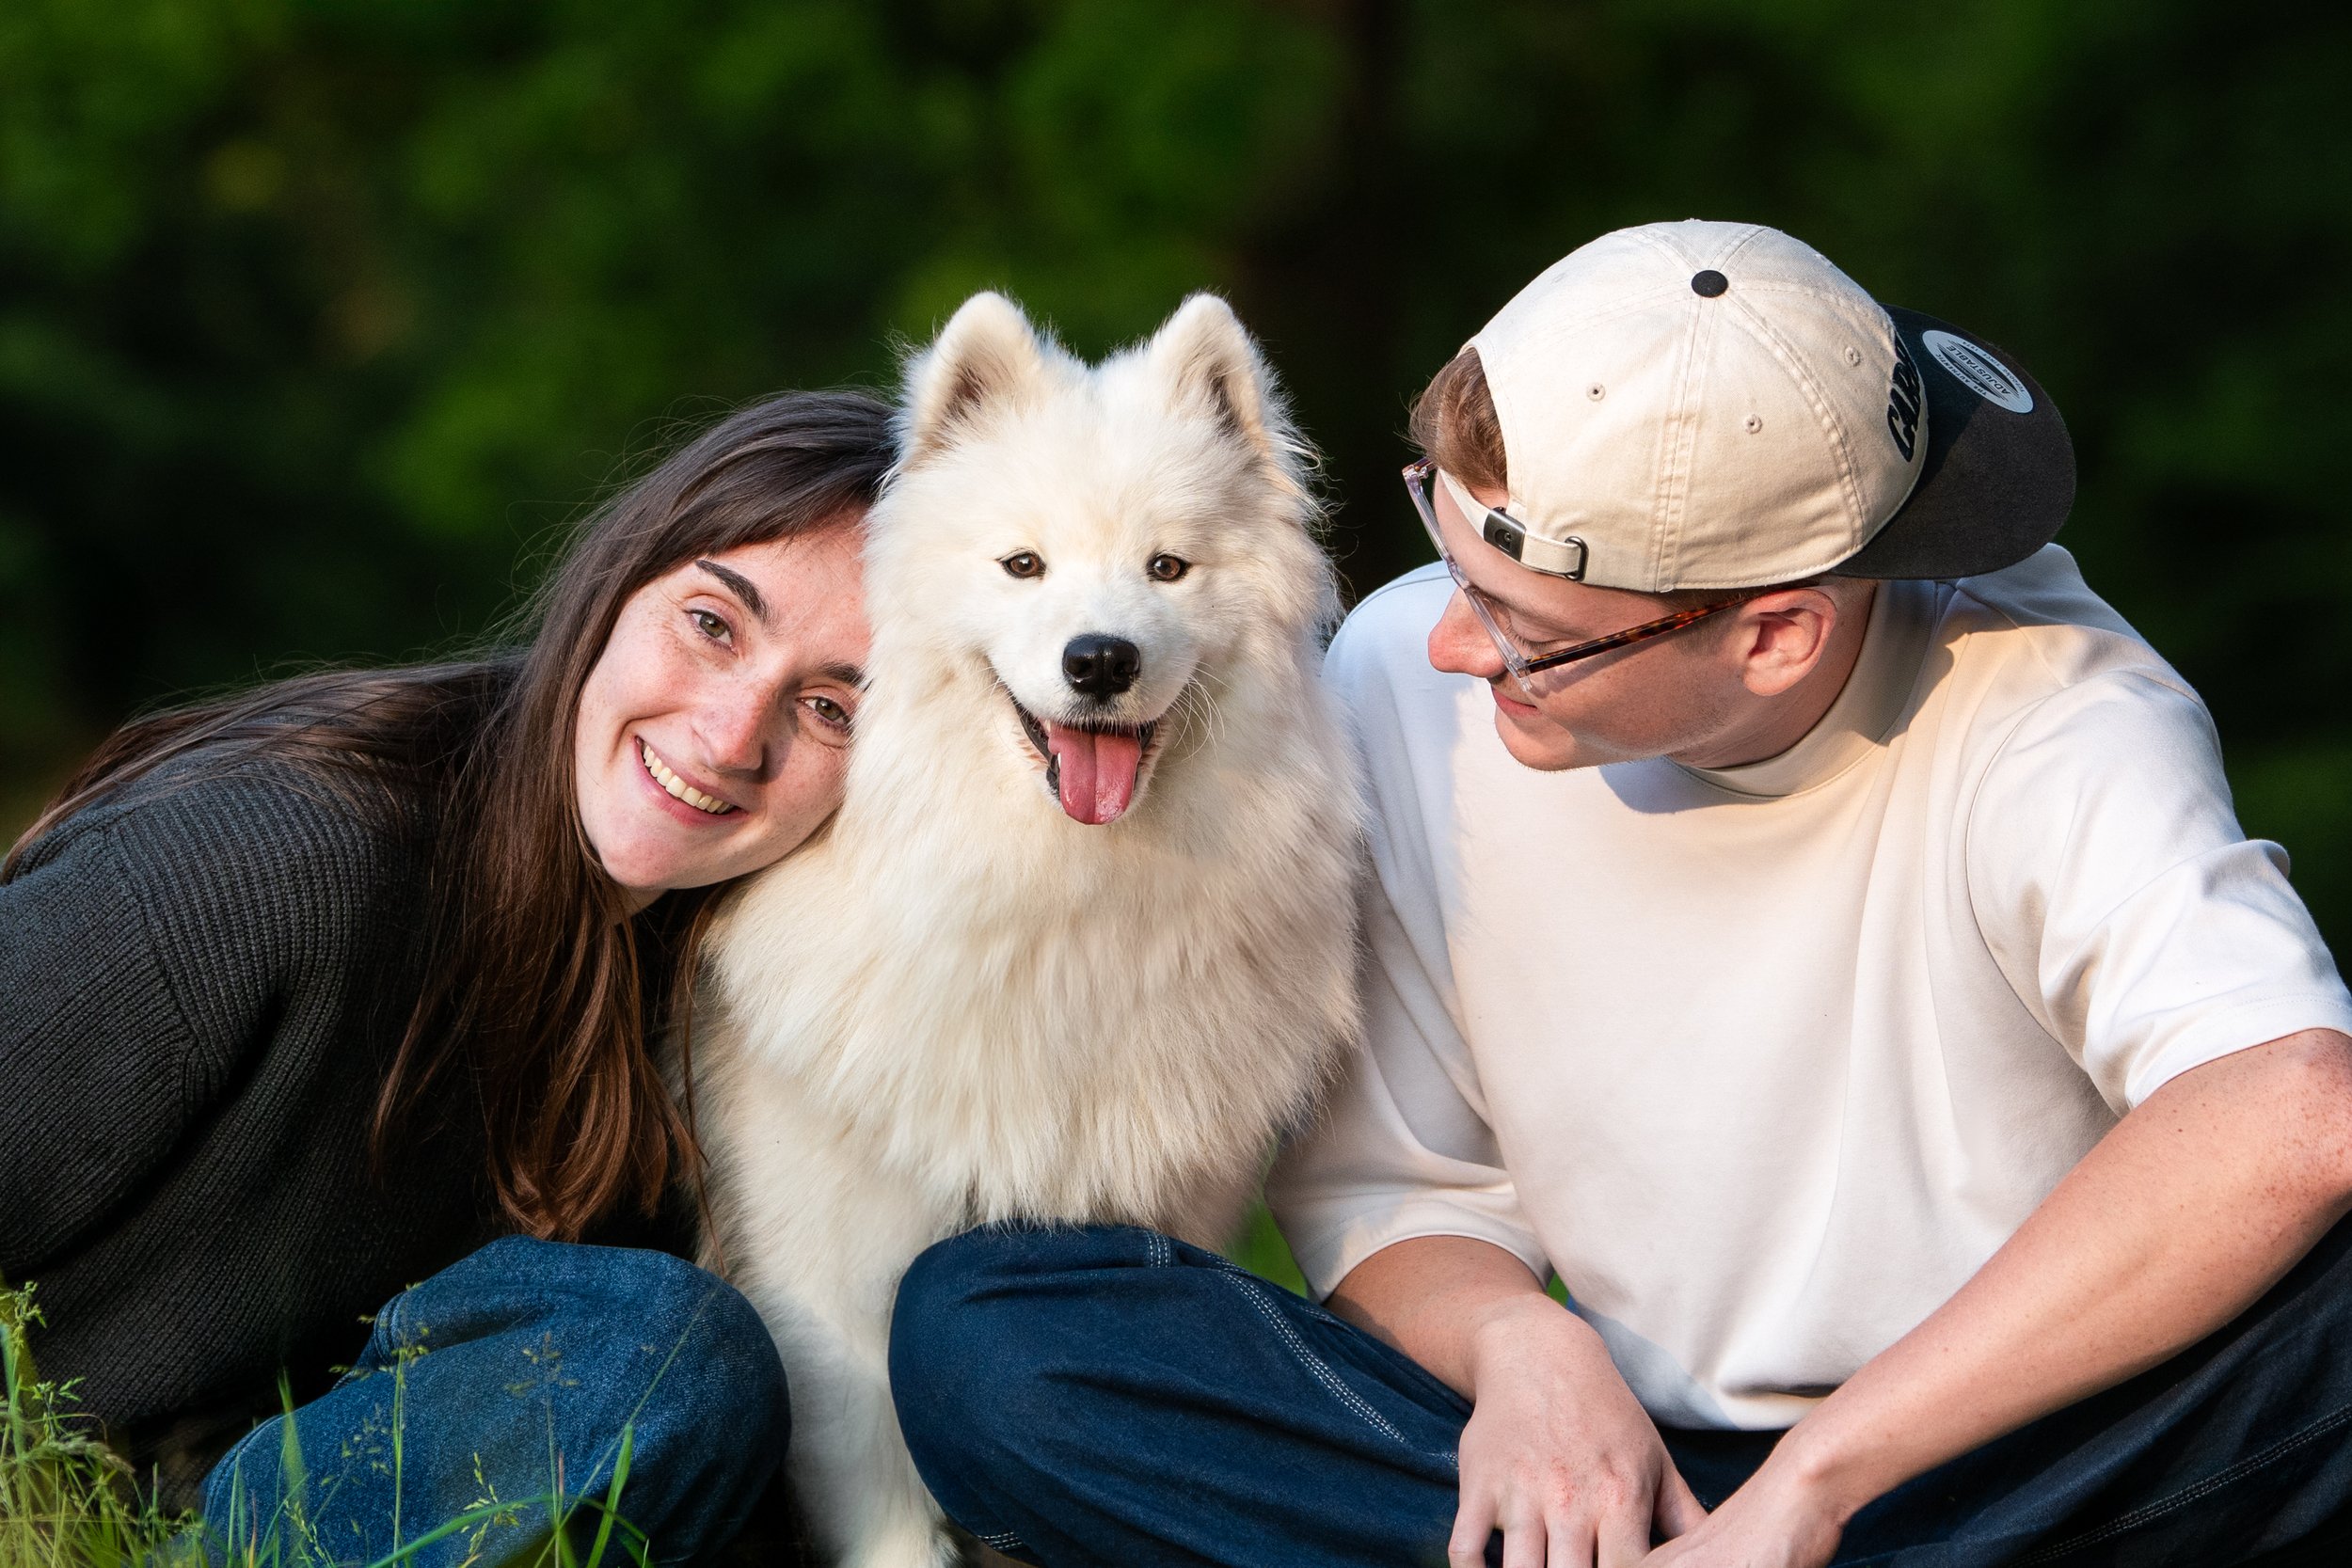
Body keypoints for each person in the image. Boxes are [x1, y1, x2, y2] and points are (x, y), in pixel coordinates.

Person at [883, 222, 2352, 1567]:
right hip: (1618, 1468)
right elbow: (1394, 1191)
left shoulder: (2053, 710)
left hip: (2018, 1454)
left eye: (1522, 628)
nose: (1447, 644)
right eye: (1442, 552)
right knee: (998, 1332)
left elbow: (2293, 1107)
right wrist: (1528, 1346)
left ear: (1774, 633)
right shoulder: (1402, 672)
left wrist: (1811, 1489)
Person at [1, 389, 894, 1562]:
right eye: (713, 625)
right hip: (84, 1488)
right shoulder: (273, 866)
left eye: (829, 706)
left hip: (286, 1490)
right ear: (614, 585)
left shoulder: (722, 991)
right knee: (667, 1349)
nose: (733, 736)